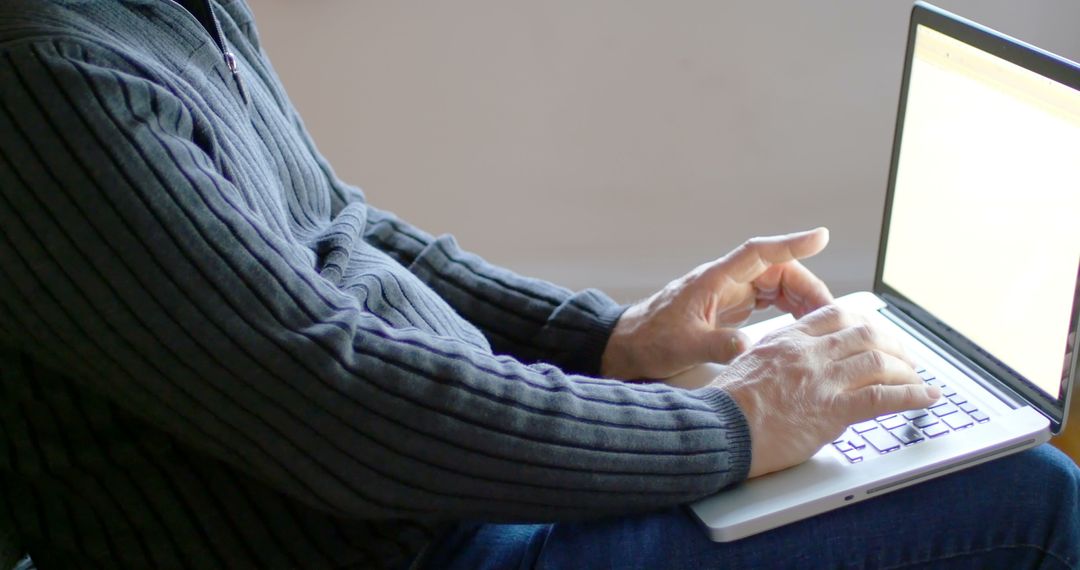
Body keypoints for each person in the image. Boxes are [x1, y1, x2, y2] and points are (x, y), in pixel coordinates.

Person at [0, 1, 1075, 568]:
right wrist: (736, 428)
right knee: (1031, 503)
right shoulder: (51, 73)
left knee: (935, 451)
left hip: (445, 512)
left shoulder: (165, 13)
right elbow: (345, 409)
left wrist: (605, 342)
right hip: (422, 547)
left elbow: (347, 228)